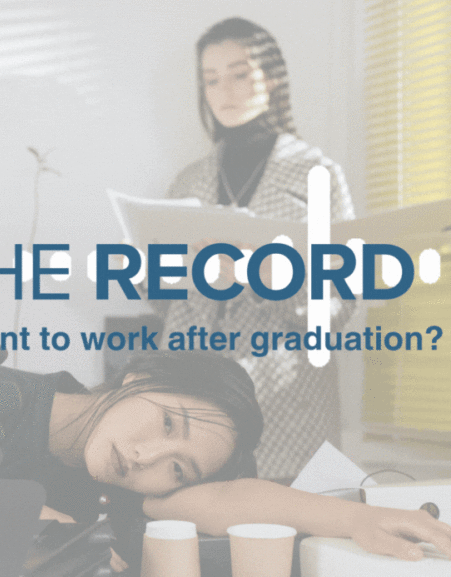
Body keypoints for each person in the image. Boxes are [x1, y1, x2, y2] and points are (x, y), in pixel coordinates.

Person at [0, 347, 451, 571]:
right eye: (167, 423)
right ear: (139, 378)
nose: (146, 457)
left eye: (177, 468)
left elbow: (232, 499)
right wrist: (17, 523)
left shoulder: (126, 489)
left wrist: (355, 522)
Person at [159, 16, 357, 480]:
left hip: (286, 406)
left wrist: (270, 279)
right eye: (211, 79)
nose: (224, 90)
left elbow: (341, 304)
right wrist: (177, 276)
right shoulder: (187, 183)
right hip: (194, 399)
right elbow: (165, 299)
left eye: (240, 74)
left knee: (287, 542)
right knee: (196, 538)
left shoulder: (317, 175)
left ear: (272, 77)